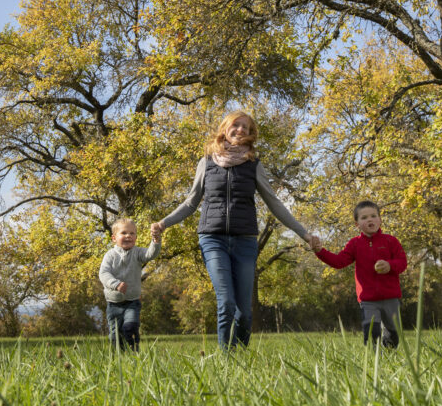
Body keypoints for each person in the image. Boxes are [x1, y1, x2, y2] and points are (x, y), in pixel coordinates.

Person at [151, 110, 316, 349]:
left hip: (245, 241)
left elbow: (274, 203)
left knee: (244, 312)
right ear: (225, 128)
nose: (240, 130)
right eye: (236, 125)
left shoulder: (253, 164)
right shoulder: (206, 162)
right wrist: (163, 222)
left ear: (250, 135)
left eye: (245, 128)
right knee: (226, 302)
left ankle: (240, 359)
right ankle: (225, 359)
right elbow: (190, 202)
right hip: (212, 239)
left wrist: (304, 233)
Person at [311, 200, 407, 347]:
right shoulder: (354, 244)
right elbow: (339, 262)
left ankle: (388, 352)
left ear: (380, 219)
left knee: (393, 331)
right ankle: (374, 358)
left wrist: (390, 265)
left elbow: (402, 263)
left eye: (374, 216)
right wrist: (320, 252)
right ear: (357, 224)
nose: (370, 219)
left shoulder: (391, 241)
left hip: (391, 297)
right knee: (371, 331)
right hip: (368, 299)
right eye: (364, 217)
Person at [98, 217, 161, 351]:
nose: (128, 236)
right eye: (124, 233)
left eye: (132, 233)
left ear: (136, 237)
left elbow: (150, 254)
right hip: (113, 303)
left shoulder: (137, 253)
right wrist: (115, 284)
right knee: (115, 336)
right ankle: (119, 357)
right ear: (114, 238)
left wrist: (155, 241)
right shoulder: (110, 255)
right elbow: (103, 273)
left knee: (130, 327)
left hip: (132, 302)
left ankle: (134, 353)